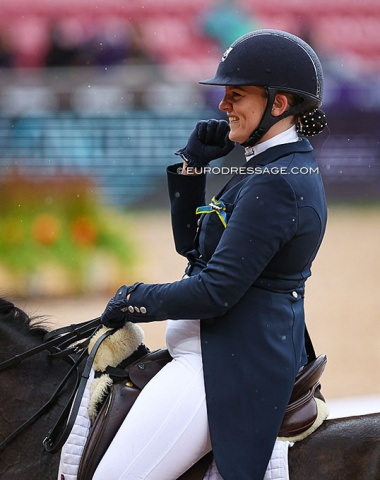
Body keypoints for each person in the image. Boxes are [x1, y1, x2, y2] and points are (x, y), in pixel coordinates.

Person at [93, 29, 328, 480]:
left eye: (236, 95)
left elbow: (214, 291)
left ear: (278, 105)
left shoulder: (275, 182)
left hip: (220, 367)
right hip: (209, 352)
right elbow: (196, 249)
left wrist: (134, 298)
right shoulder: (265, 166)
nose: (223, 106)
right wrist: (193, 165)